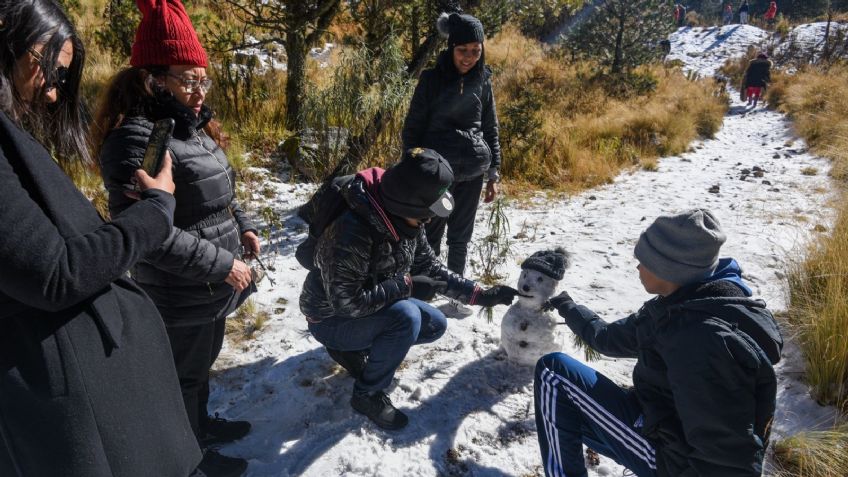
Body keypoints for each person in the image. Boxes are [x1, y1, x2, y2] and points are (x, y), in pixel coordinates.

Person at [0, 1, 201, 475]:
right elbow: (54, 272)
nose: (52, 95)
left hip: (89, 399)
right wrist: (155, 212)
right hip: (74, 410)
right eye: (51, 70)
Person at [96, 0, 255, 475]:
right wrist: (223, 265)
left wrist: (243, 223)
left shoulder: (191, 124)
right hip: (179, 288)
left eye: (203, 78)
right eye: (188, 79)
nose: (199, 90)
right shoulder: (140, 140)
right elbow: (149, 234)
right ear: (153, 77)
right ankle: (190, 458)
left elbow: (220, 188)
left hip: (209, 286)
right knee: (181, 377)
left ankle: (201, 427)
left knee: (200, 365)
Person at [534, 209, 783, 477]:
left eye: (644, 260)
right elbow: (607, 338)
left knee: (553, 374)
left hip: (674, 461)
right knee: (567, 406)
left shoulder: (701, 339)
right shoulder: (680, 305)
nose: (637, 267)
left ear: (668, 270)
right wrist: (569, 307)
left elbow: (728, 454)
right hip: (665, 425)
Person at [299, 148, 519, 430]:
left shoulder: (402, 220)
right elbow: (347, 304)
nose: (427, 223)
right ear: (407, 206)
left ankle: (353, 351)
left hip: (366, 307)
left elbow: (431, 267)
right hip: (330, 318)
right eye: (424, 217)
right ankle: (366, 394)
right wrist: (407, 286)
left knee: (433, 324)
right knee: (407, 319)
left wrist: (480, 295)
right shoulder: (352, 231)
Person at [401, 12, 502, 316]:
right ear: (451, 48)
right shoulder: (432, 80)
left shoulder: (483, 81)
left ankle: (458, 294)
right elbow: (413, 127)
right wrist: (412, 168)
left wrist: (493, 172)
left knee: (461, 235)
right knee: (431, 234)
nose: (469, 57)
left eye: (475, 50)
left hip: (471, 174)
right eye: (462, 50)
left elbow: (490, 127)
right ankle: (424, 292)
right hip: (437, 178)